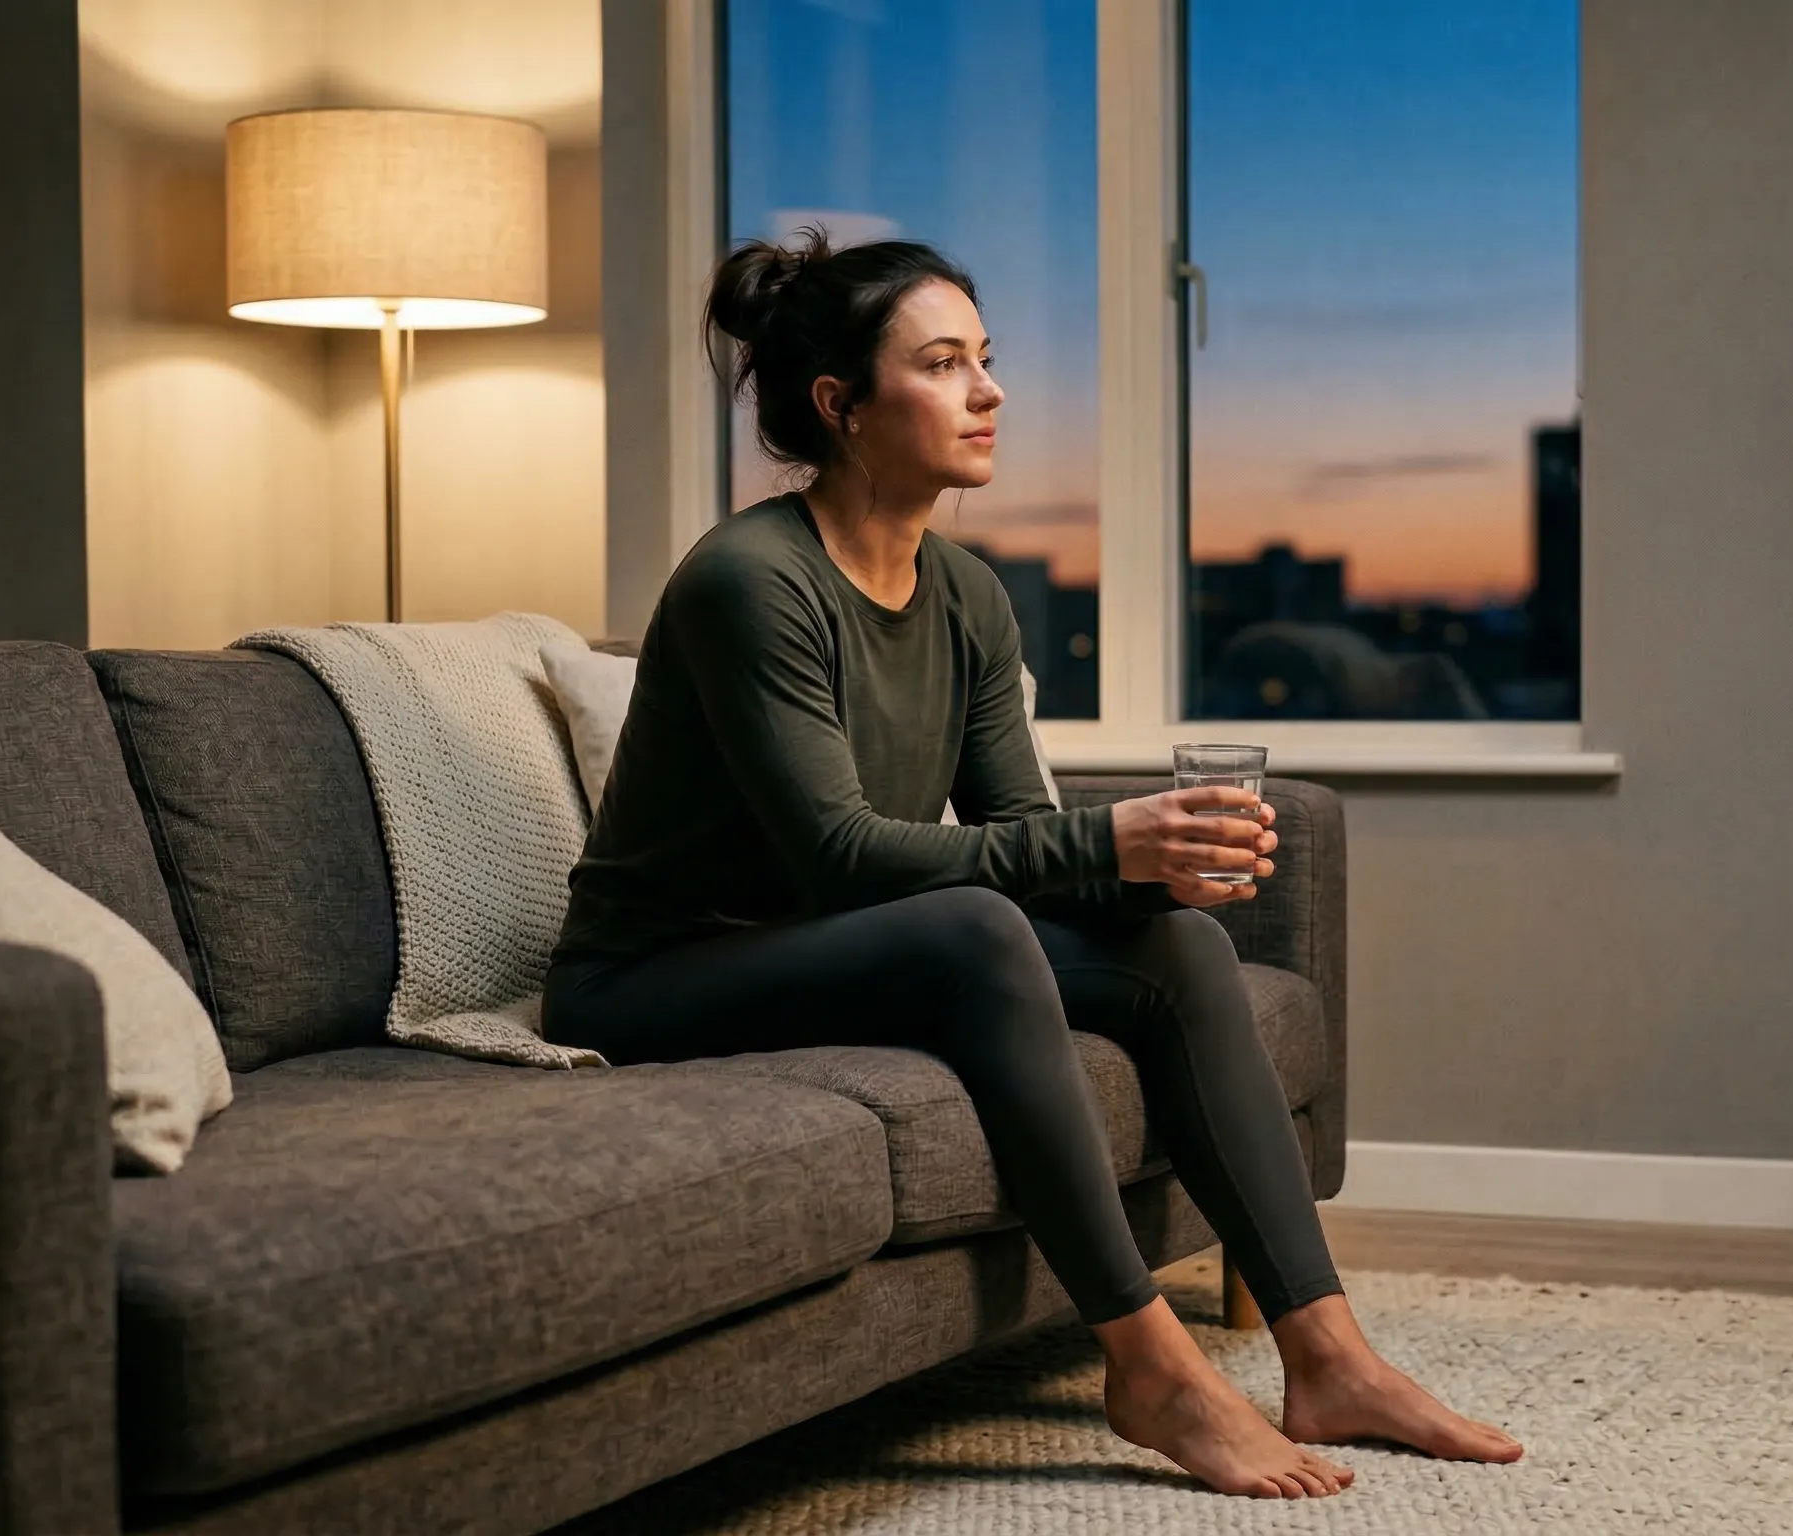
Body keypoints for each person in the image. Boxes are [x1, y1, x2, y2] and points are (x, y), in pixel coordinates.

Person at [543, 232, 1522, 1499]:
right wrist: (1110, 835)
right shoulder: (749, 580)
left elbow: (1014, 831)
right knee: (973, 931)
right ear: (840, 404)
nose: (989, 391)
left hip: (830, 945)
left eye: (986, 359)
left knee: (1178, 947)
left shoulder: (964, 592)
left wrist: (1157, 872)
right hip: (658, 974)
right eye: (943, 364)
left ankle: (1327, 1350)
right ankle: (1152, 1367)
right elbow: (840, 857)